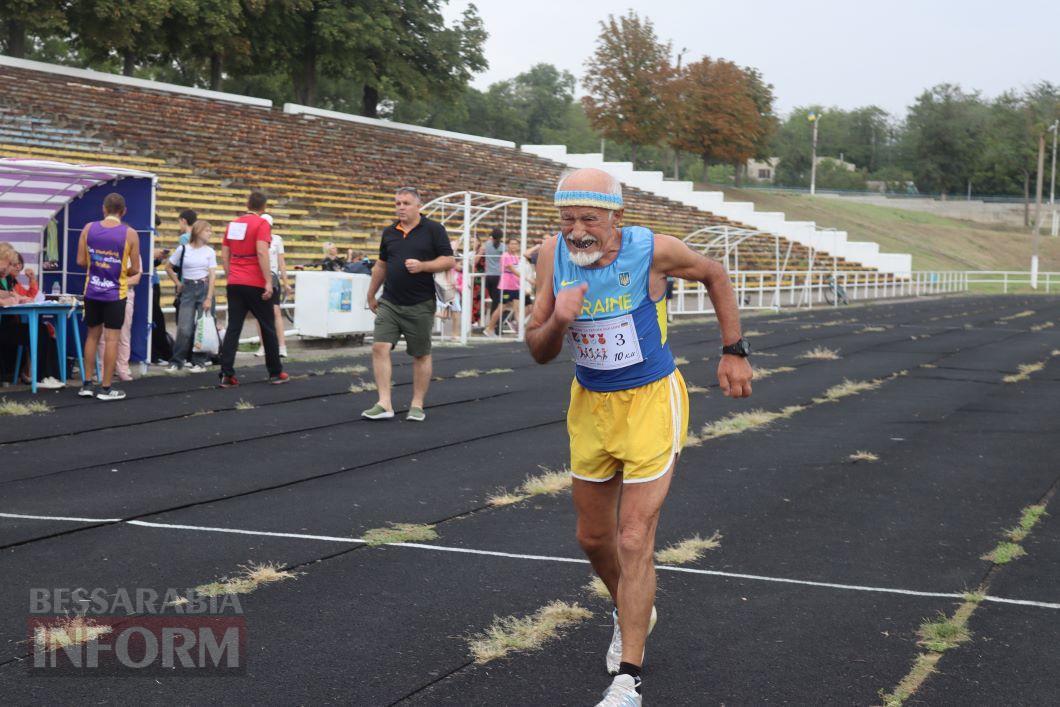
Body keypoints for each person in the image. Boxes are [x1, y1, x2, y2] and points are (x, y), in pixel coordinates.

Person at [525, 168, 753, 706]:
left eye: (589, 219)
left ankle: (628, 679)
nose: (577, 230)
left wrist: (733, 350)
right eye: (567, 218)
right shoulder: (549, 256)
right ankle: (633, 607)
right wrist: (558, 319)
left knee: (634, 539)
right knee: (594, 539)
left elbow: (716, 274)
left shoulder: (655, 250)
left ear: (616, 218)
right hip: (591, 406)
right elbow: (537, 348)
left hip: (651, 401)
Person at [362, 187, 454, 422]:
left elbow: (449, 260)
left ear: (417, 206)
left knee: (420, 354)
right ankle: (384, 403)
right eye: (397, 203)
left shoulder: (434, 229)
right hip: (390, 301)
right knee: (379, 347)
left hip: (420, 303)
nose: (400, 207)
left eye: (405, 203)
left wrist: (423, 266)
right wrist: (371, 294)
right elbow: (381, 265)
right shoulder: (390, 232)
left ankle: (417, 404)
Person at [217, 191, 288, 387]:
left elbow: (225, 254)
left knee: (233, 328)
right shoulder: (262, 224)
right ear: (264, 207)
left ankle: (226, 373)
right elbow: (261, 251)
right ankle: (275, 372)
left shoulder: (233, 224)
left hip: (235, 281)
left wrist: (231, 274)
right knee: (267, 327)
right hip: (255, 281)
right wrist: (267, 281)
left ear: (247, 204)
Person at [76, 193, 141, 401]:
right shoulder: (130, 233)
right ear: (124, 211)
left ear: (104, 209)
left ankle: (86, 384)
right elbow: (136, 269)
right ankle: (105, 388)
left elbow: (81, 261)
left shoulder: (88, 228)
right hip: (116, 292)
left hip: (92, 290)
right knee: (112, 339)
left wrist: (99, 263)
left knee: (92, 336)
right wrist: (118, 270)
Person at [165, 220, 217, 372]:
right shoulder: (183, 249)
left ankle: (199, 362)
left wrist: (208, 297)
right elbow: (168, 266)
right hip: (187, 288)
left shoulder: (210, 251)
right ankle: (177, 361)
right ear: (199, 231)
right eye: (207, 230)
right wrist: (178, 283)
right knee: (184, 328)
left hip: (203, 287)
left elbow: (212, 276)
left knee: (202, 327)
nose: (210, 233)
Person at [97, 251, 142, 381]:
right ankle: (103, 369)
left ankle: (122, 368)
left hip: (125, 294)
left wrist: (115, 283)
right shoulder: (105, 252)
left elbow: (136, 278)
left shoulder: (134, 254)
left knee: (124, 334)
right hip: (105, 294)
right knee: (103, 335)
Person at [255, 213, 290, 358]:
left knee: (275, 312)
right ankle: (263, 345)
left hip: (273, 277)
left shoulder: (277, 239)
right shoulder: (256, 238)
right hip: (258, 278)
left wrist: (286, 282)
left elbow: (281, 263)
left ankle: (282, 346)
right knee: (259, 314)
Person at [486, 237, 533, 336]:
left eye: (516, 244)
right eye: (511, 244)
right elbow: (513, 270)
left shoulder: (516, 256)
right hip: (506, 286)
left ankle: (519, 330)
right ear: (508, 245)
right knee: (501, 308)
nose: (514, 246)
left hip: (516, 286)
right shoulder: (505, 256)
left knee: (518, 309)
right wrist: (528, 279)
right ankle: (489, 328)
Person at [149, 215, 173, 364]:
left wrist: (158, 258)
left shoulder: (153, 233)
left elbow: (152, 262)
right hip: (148, 282)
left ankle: (161, 352)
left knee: (157, 318)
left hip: (154, 280)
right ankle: (157, 354)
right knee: (155, 319)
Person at [476, 228, 505, 327]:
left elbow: (479, 255)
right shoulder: (503, 247)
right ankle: (494, 323)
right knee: (497, 302)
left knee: (494, 300)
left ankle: (493, 323)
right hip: (499, 276)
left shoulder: (487, 245)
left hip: (488, 276)